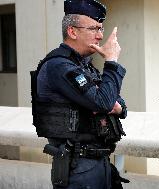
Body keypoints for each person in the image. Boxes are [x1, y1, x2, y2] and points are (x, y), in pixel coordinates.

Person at [30, 0, 129, 188]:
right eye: (94, 29)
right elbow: (104, 102)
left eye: (101, 29)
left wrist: (116, 106)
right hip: (78, 166)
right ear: (72, 31)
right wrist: (112, 61)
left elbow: (120, 104)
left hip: (98, 162)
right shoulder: (59, 66)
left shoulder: (84, 65)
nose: (100, 36)